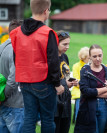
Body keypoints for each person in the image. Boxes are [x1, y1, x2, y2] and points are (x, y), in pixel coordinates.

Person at [10, 0, 64, 132]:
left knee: (29, 118)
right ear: (46, 11)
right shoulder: (48, 33)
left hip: (24, 80)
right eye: (49, 10)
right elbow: (53, 61)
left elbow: (16, 57)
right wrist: (57, 84)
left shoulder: (17, 32)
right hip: (43, 81)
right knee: (47, 119)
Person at [74, 44, 107, 133]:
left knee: (101, 130)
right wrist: (106, 88)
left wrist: (96, 92)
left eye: (100, 55)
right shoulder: (85, 70)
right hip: (88, 106)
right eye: (94, 56)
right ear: (90, 57)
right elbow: (85, 92)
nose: (98, 58)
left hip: (104, 106)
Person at [0, 20, 24, 133]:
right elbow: (13, 79)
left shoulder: (1, 47)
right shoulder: (16, 50)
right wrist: (4, 96)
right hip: (15, 104)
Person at [54, 31, 78, 133]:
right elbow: (50, 79)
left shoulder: (65, 57)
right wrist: (65, 84)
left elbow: (66, 76)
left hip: (66, 99)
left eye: (68, 44)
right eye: (64, 44)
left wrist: (71, 82)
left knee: (65, 128)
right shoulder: (52, 58)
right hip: (55, 100)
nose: (67, 47)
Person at [71, 47, 89, 121]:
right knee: (80, 111)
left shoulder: (91, 65)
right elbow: (76, 81)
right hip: (79, 90)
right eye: (88, 57)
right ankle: (78, 122)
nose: (90, 59)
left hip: (89, 89)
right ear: (83, 58)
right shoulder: (76, 66)